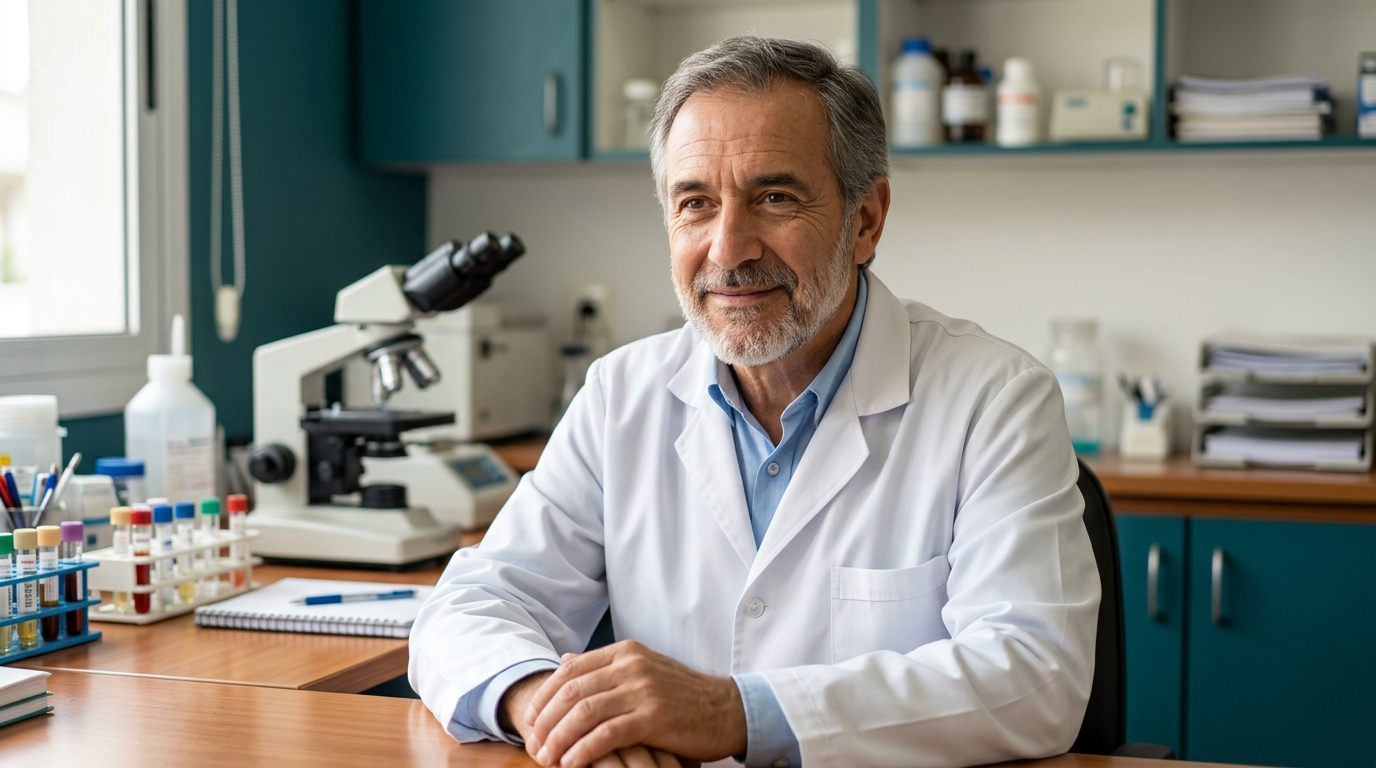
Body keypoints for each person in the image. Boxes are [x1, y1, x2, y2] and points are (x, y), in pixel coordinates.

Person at [410, 36, 1099, 768]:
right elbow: (470, 609)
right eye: (695, 203)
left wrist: (734, 713)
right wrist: (550, 708)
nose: (728, 248)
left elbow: (1035, 675)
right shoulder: (621, 395)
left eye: (775, 198)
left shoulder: (995, 399)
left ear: (866, 220)